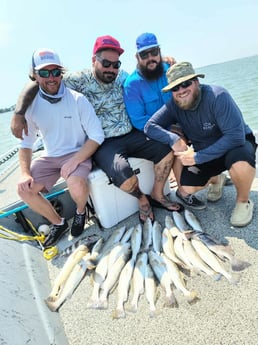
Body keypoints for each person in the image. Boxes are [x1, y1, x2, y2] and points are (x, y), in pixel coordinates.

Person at [11, 36, 184, 224]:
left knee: (167, 150)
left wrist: (166, 59)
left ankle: (158, 194)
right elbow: (40, 81)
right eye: (106, 63)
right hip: (104, 142)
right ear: (94, 60)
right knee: (123, 176)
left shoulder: (123, 76)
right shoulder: (77, 80)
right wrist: (19, 113)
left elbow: (143, 72)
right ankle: (142, 198)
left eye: (115, 64)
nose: (111, 69)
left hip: (133, 133)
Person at [144, 61, 257, 227]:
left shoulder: (218, 96)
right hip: (207, 153)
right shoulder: (173, 106)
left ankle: (243, 202)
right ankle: (217, 179)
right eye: (175, 88)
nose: (181, 91)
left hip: (236, 146)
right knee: (185, 189)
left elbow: (235, 136)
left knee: (240, 163)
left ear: (196, 81)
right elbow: (149, 127)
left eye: (185, 84)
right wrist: (173, 139)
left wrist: (197, 156)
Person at [17, 48, 104, 248]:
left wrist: (75, 161)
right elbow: (26, 143)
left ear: (61, 73)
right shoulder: (30, 107)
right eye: (44, 73)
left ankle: (81, 211)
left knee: (76, 184)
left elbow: (96, 136)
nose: (51, 78)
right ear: (35, 76)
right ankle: (58, 222)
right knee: (24, 190)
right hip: (50, 156)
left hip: (77, 152)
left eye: (55, 72)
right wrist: (24, 173)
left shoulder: (77, 99)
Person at [123, 33, 205, 208]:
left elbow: (187, 91)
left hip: (179, 123)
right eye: (144, 55)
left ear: (160, 52)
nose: (150, 58)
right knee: (178, 144)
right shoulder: (132, 84)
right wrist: (169, 134)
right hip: (152, 129)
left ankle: (216, 177)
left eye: (154, 52)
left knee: (208, 130)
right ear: (137, 57)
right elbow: (139, 121)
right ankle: (182, 192)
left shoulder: (169, 68)